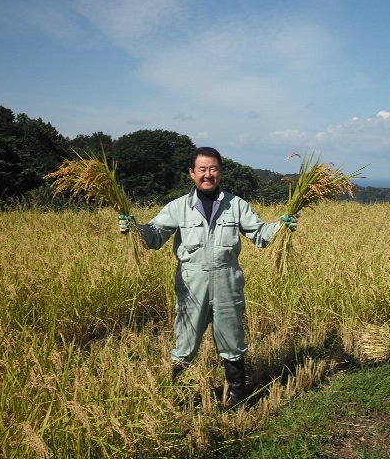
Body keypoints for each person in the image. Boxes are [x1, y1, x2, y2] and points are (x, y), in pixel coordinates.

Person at [118, 146, 297, 409]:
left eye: (213, 169)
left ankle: (237, 404)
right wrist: (134, 228)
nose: (208, 174)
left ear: (220, 172)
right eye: (202, 169)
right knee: (185, 345)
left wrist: (283, 226)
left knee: (232, 345)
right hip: (192, 288)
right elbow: (154, 235)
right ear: (191, 173)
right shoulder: (178, 207)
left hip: (227, 285)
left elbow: (260, 234)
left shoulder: (235, 205)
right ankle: (174, 402)